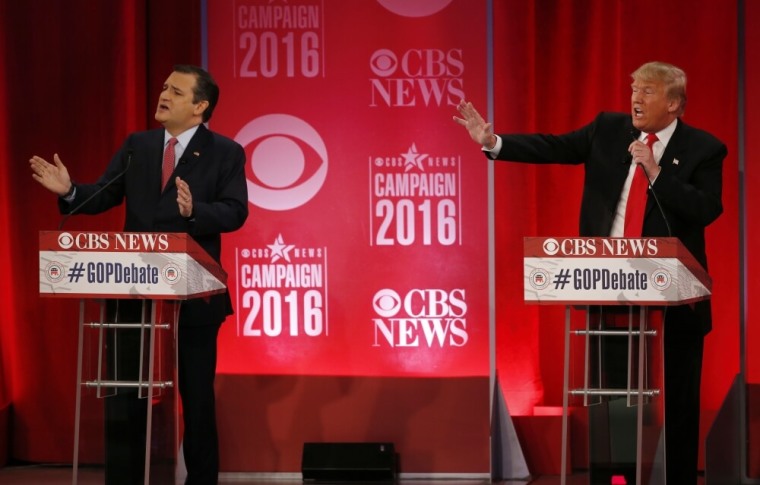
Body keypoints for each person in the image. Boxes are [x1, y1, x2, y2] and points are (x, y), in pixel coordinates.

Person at [454, 61, 726, 484]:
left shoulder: (704, 149)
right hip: (610, 289)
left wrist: (655, 172)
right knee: (613, 398)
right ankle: (612, 477)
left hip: (676, 299)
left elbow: (706, 208)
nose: (636, 97)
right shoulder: (608, 130)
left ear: (675, 104)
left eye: (648, 91)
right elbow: (553, 147)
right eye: (634, 88)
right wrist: (495, 142)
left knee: (678, 402)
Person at [30, 64, 249, 485]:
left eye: (177, 91)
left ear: (200, 106)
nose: (164, 94)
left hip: (195, 293)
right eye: (165, 87)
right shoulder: (139, 146)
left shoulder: (226, 152)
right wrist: (71, 191)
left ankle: (201, 480)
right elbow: (105, 194)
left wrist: (195, 212)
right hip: (132, 289)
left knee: (197, 397)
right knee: (125, 391)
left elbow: (236, 210)